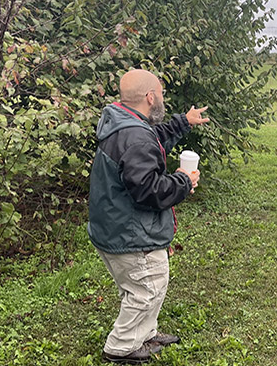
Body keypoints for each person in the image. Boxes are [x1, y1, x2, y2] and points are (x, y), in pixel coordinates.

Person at [87, 69, 210, 363]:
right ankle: (120, 346)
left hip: (114, 223)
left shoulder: (124, 123)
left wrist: (183, 122)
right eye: (162, 94)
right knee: (146, 288)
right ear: (150, 97)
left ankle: (145, 334)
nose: (163, 99)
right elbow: (148, 190)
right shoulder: (134, 136)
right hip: (130, 232)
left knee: (152, 283)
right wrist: (183, 180)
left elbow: (152, 139)